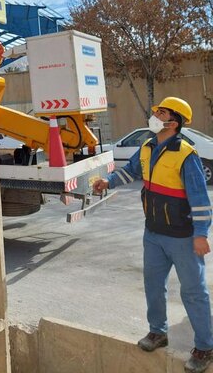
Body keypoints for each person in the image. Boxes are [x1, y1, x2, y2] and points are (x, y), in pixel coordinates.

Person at [93, 97, 213, 373]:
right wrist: (107, 182)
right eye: (156, 110)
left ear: (174, 121)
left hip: (182, 237)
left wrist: (200, 234)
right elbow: (130, 171)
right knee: (153, 285)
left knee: (194, 293)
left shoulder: (186, 155)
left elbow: (200, 199)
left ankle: (205, 347)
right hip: (154, 234)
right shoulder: (147, 147)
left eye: (162, 112)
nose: (155, 114)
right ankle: (158, 332)